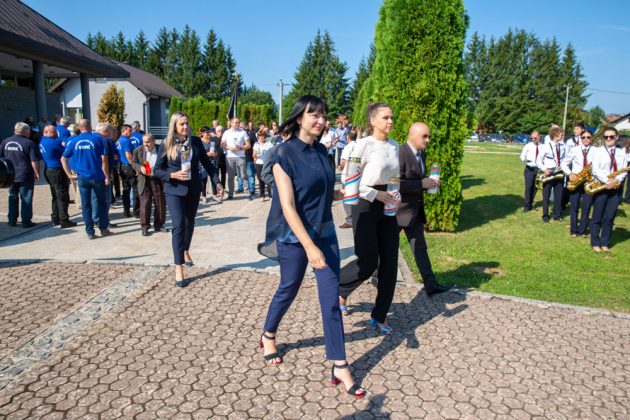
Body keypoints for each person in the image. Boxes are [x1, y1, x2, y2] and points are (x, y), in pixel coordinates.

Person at [259, 95, 365, 398]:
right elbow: (288, 206)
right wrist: (309, 247)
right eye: (314, 115)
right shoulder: (282, 153)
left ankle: (340, 365)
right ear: (299, 118)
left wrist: (340, 194)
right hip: (295, 236)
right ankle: (268, 334)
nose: (321, 120)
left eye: (324, 115)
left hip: (325, 232)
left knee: (331, 300)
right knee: (288, 288)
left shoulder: (322, 151)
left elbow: (319, 191)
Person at [338, 102, 400, 334]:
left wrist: (395, 193)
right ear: (373, 121)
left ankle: (380, 315)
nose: (390, 121)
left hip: (388, 205)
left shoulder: (395, 146)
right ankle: (338, 287)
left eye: (392, 117)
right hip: (365, 204)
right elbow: (349, 179)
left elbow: (394, 176)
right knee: (368, 261)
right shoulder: (362, 145)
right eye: (385, 117)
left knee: (390, 263)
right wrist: (375, 194)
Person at [153, 112, 224, 286]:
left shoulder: (195, 141)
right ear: (174, 126)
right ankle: (178, 267)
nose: (185, 126)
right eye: (181, 124)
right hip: (174, 190)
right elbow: (157, 170)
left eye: (186, 123)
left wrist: (217, 183)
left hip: (193, 189)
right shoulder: (166, 144)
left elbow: (208, 165)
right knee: (178, 225)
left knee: (189, 223)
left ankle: (185, 250)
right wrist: (172, 175)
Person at [398, 123, 452, 296]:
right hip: (397, 212)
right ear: (413, 135)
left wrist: (429, 182)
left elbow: (417, 179)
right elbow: (395, 184)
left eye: (429, 136)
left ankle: (431, 285)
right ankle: (375, 278)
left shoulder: (422, 154)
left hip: (414, 211)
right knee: (385, 249)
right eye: (425, 136)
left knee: (420, 248)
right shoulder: (400, 153)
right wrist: (421, 184)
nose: (428, 140)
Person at [60, 119, 110, 239]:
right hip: (97, 176)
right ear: (90, 126)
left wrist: (69, 174)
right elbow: (104, 159)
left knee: (86, 205)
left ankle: (90, 232)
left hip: (82, 177)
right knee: (101, 203)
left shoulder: (73, 140)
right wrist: (107, 176)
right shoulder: (98, 139)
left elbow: (63, 159)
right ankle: (103, 228)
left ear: (79, 127)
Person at [589, 127, 627, 252]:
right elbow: (595, 169)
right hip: (601, 186)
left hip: (615, 187)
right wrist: (607, 181)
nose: (608, 139)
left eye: (611, 136)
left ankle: (605, 242)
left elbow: (623, 170)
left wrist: (616, 180)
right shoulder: (598, 151)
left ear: (617, 137)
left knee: (610, 217)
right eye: (606, 137)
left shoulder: (621, 152)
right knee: (597, 216)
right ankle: (595, 242)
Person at [1, 122, 40, 227]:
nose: (30, 132)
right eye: (29, 130)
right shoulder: (29, 143)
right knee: (26, 198)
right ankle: (26, 222)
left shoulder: (5, 141)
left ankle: (12, 220)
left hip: (10, 175)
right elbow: (34, 161)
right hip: (25, 174)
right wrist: (37, 173)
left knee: (12, 197)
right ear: (25, 131)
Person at [561, 129, 596, 237]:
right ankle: (573, 230)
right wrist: (570, 173)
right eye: (583, 137)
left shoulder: (596, 150)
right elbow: (564, 163)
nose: (586, 139)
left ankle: (583, 230)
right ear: (580, 139)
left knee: (586, 206)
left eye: (588, 137)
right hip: (576, 180)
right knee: (574, 206)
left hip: (589, 181)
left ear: (591, 138)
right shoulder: (574, 150)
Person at [40, 124, 75, 228]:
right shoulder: (53, 142)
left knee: (55, 195)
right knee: (62, 195)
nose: (56, 134)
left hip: (49, 170)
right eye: (53, 132)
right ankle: (64, 219)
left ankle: (55, 218)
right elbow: (66, 152)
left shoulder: (42, 141)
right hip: (56, 170)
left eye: (55, 131)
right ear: (46, 132)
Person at [133, 133, 167, 236]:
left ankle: (159, 225)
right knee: (145, 204)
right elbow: (134, 163)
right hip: (144, 180)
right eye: (144, 142)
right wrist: (140, 168)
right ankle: (145, 227)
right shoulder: (138, 150)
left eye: (148, 142)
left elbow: (167, 163)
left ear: (153, 141)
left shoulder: (161, 149)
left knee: (160, 203)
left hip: (157, 180)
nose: (145, 144)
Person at [536, 126, 565, 223]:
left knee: (558, 196)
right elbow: (538, 160)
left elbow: (564, 159)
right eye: (561, 134)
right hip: (549, 173)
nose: (562, 136)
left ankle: (557, 214)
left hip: (559, 173)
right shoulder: (546, 146)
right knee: (546, 196)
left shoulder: (562, 146)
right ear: (555, 135)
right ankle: (545, 214)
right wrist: (544, 169)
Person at [92, 123, 117, 228]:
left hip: (92, 173)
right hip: (102, 173)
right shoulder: (105, 140)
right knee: (106, 199)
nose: (112, 133)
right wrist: (108, 174)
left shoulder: (91, 138)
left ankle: (95, 219)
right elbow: (105, 159)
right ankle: (103, 220)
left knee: (94, 198)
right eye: (111, 130)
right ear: (106, 131)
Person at [221, 117, 251, 200]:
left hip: (240, 156)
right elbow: (222, 144)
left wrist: (240, 148)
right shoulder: (226, 132)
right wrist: (229, 147)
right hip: (229, 157)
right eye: (236, 122)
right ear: (231, 123)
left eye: (238, 122)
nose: (237, 124)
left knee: (243, 175)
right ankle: (230, 194)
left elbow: (248, 145)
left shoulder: (243, 132)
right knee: (230, 177)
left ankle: (247, 193)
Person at [117, 124, 140, 218]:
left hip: (122, 166)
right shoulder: (126, 141)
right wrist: (135, 167)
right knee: (135, 189)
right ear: (124, 131)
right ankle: (137, 212)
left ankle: (126, 211)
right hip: (129, 167)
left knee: (126, 190)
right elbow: (128, 155)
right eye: (129, 131)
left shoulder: (118, 140)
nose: (131, 133)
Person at [337, 129, 359, 229]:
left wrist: (340, 167)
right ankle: (356, 218)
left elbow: (344, 161)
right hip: (357, 175)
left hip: (347, 176)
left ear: (347, 137)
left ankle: (350, 220)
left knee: (346, 198)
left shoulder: (348, 147)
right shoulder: (359, 145)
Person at [519, 130, 541, 212]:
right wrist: (525, 160)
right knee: (528, 187)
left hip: (539, 170)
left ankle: (530, 204)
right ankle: (526, 206)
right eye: (532, 138)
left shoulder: (543, 146)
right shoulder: (528, 146)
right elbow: (522, 156)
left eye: (535, 138)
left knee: (536, 188)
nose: (533, 139)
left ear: (539, 137)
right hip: (530, 169)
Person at [253, 128, 273, 201]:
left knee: (268, 178)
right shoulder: (256, 144)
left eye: (263, 136)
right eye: (260, 137)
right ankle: (262, 195)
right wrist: (256, 154)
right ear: (258, 137)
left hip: (267, 163)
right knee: (260, 179)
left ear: (265, 136)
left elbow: (273, 151)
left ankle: (270, 195)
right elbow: (253, 155)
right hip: (259, 163)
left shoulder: (269, 143)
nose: (261, 138)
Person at [198, 126, 215, 203]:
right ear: (202, 133)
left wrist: (214, 153)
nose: (208, 134)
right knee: (204, 180)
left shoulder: (212, 142)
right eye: (206, 132)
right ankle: (204, 196)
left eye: (209, 132)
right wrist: (207, 154)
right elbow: (199, 153)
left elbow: (215, 152)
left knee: (213, 179)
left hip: (211, 162)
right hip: (202, 163)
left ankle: (214, 195)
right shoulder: (200, 142)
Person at [214, 126, 227, 190]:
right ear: (216, 132)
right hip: (216, 159)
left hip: (224, 159)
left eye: (222, 131)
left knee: (223, 174)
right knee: (216, 174)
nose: (220, 132)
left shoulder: (225, 139)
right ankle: (217, 187)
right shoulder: (213, 139)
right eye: (219, 131)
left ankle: (223, 188)